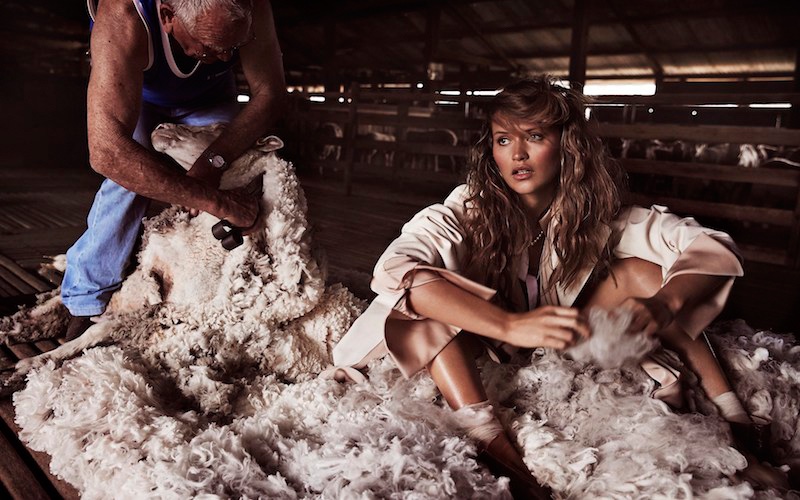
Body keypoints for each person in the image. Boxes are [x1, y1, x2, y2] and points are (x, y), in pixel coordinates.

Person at [332, 76, 789, 497]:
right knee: (424, 301)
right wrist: (510, 325)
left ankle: (733, 417)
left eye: (535, 137)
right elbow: (396, 268)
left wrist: (664, 303)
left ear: (566, 145)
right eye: (503, 139)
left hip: (550, 342)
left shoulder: (595, 215)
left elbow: (708, 247)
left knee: (647, 274)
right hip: (471, 344)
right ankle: (492, 442)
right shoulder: (466, 209)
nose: (517, 155)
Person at [61, 0, 286, 340]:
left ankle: (225, 286)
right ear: (167, 16)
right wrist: (217, 202)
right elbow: (106, 152)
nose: (228, 59)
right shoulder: (123, 14)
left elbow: (269, 94)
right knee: (126, 183)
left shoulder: (250, 5)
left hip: (207, 99)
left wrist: (214, 162)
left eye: (234, 47)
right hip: (137, 98)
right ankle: (86, 300)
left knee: (242, 171)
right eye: (212, 47)